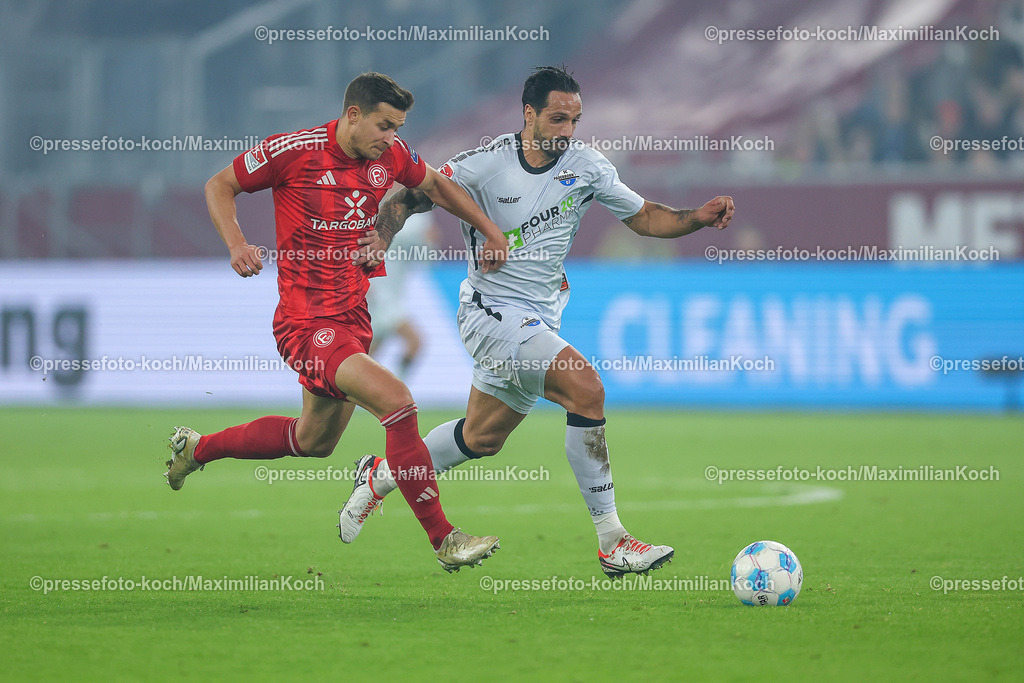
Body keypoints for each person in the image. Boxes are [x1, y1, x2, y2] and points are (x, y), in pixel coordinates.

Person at [338, 66, 735, 577]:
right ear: (529, 114)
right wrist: (384, 236)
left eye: (575, 120)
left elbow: (644, 217)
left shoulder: (589, 167)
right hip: (490, 315)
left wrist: (695, 218)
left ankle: (381, 474)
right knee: (585, 389)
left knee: (482, 438)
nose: (567, 131)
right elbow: (412, 194)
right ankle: (613, 541)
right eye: (557, 118)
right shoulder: (485, 165)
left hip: (539, 317)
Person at [164, 72, 510, 573]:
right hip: (305, 324)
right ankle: (445, 538)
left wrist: (488, 229)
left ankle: (198, 449)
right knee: (398, 403)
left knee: (313, 442)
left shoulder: (387, 157)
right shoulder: (294, 151)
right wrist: (237, 244)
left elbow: (434, 184)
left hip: (353, 318)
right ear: (353, 114)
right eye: (384, 125)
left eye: (398, 128)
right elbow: (220, 185)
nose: (392, 138)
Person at [365, 211, 438, 379]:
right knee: (415, 342)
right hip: (380, 295)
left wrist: (429, 241)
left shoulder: (420, 218)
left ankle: (349, 389)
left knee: (368, 355)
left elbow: (426, 259)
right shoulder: (377, 212)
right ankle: (398, 387)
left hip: (393, 295)